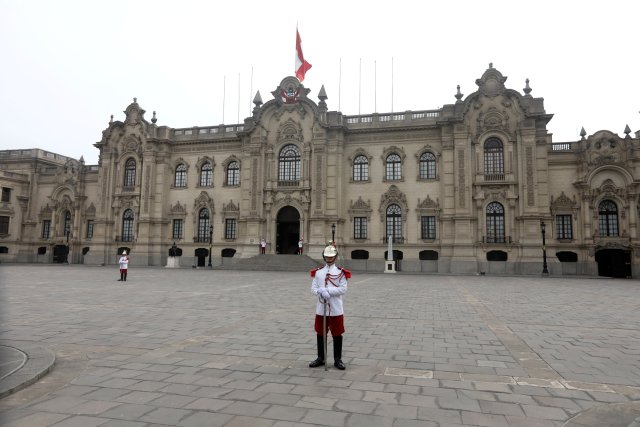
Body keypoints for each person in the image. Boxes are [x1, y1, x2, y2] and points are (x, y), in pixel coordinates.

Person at [309, 245, 351, 370]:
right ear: (324, 256)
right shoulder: (318, 272)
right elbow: (313, 288)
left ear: (335, 257)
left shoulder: (340, 272)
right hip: (321, 307)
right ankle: (321, 357)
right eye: (327, 256)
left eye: (331, 256)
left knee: (337, 333)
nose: (329, 258)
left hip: (335, 308)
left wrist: (328, 291)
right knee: (320, 332)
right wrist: (320, 291)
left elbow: (343, 289)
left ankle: (338, 359)